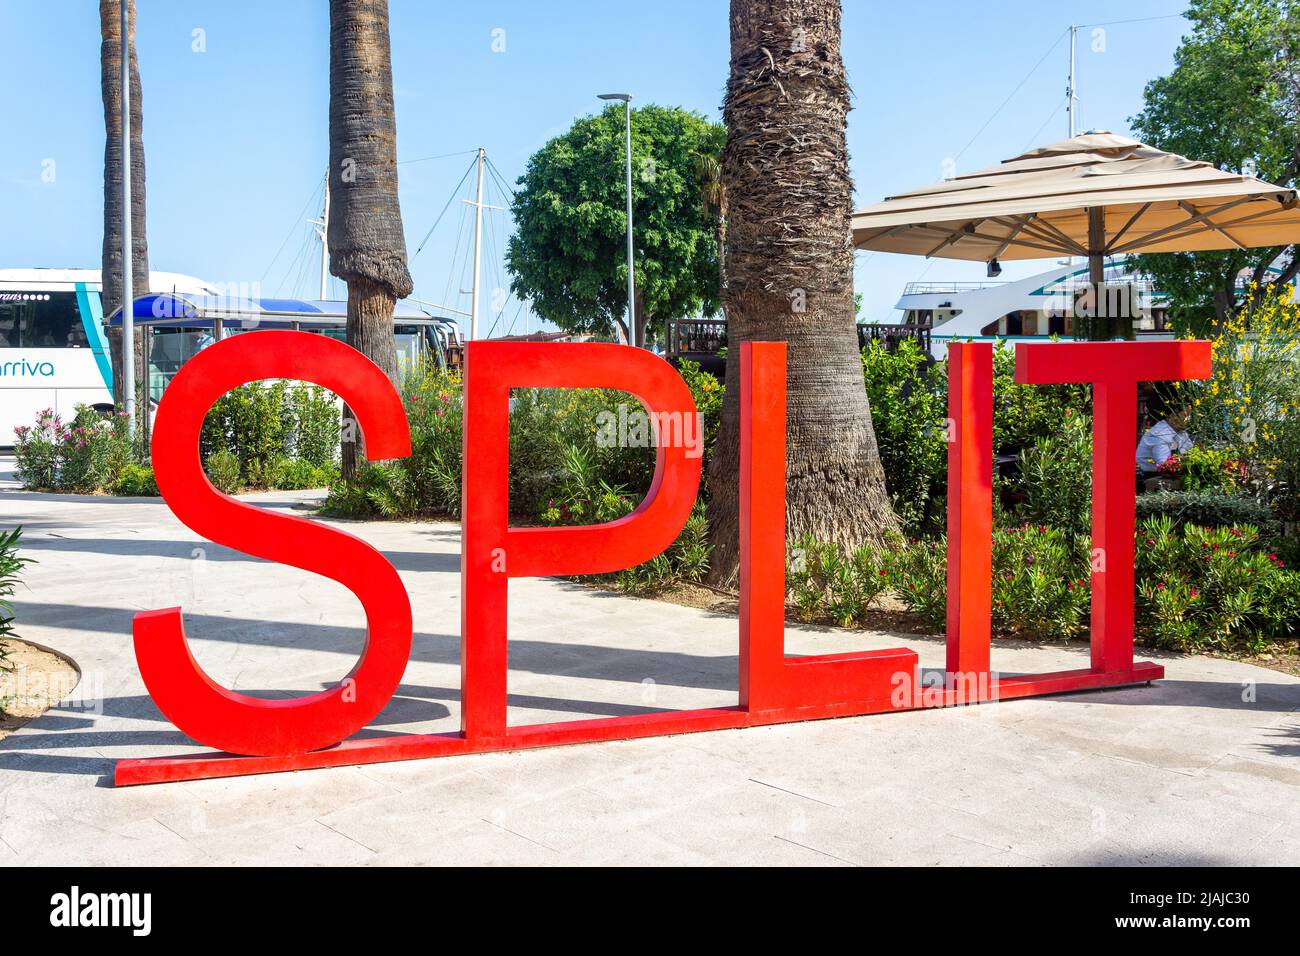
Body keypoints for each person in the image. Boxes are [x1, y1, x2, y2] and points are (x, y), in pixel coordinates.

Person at [1136, 402, 1193, 474]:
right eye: (1186, 415)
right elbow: (1164, 465)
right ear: (1173, 416)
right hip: (1147, 476)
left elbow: (1189, 451)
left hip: (1165, 474)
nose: (1189, 419)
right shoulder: (1160, 434)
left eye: (1190, 415)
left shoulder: (1180, 431)